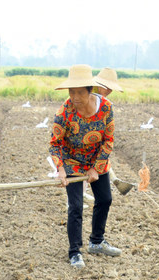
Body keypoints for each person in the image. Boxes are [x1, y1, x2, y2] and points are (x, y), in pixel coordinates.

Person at [50, 64, 121, 268]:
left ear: (91, 91)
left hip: (97, 160)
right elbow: (55, 143)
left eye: (80, 92)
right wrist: (61, 169)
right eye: (72, 92)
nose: (75, 97)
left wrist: (95, 168)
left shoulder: (106, 107)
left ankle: (96, 242)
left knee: (105, 199)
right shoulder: (64, 112)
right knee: (76, 206)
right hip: (72, 161)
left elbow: (108, 140)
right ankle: (74, 252)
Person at [93, 67, 130, 195]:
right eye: (106, 87)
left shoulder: (106, 104)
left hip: (97, 147)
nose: (109, 91)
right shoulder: (85, 96)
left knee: (104, 198)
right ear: (98, 84)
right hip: (81, 150)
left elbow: (107, 134)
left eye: (111, 88)